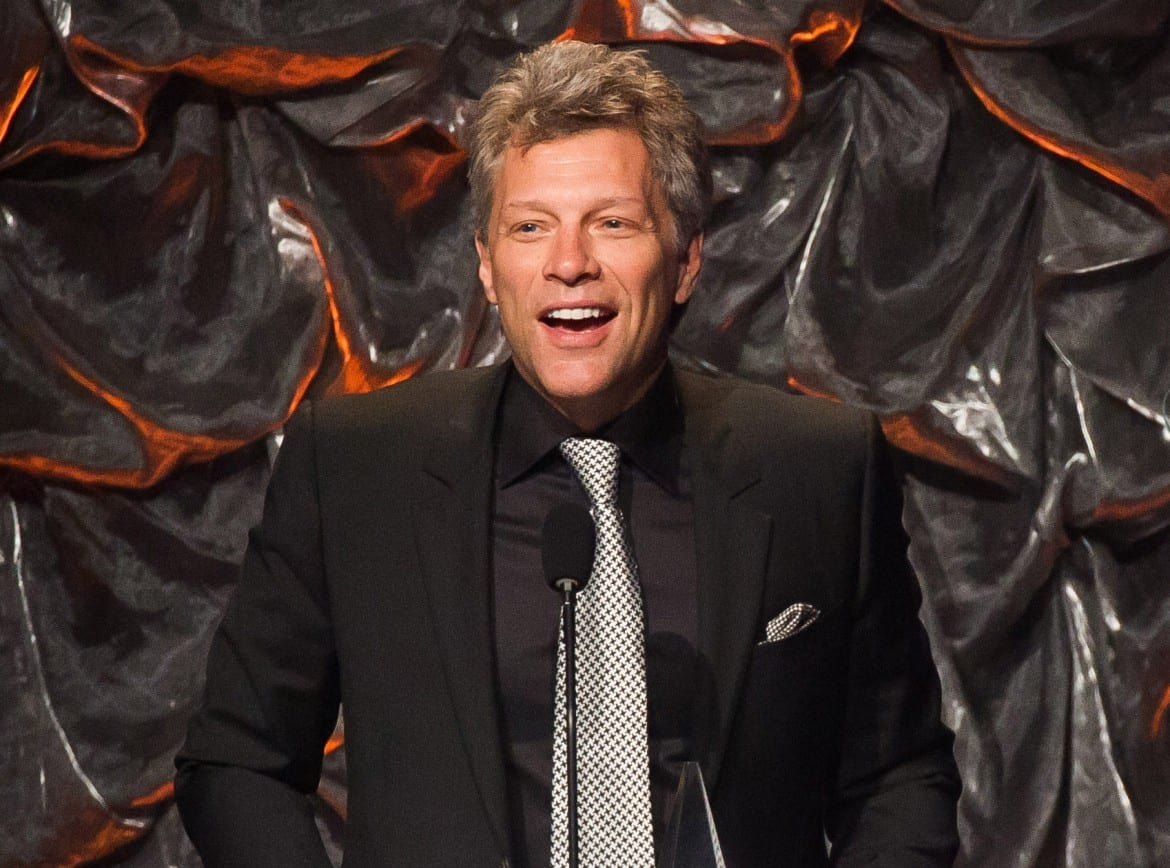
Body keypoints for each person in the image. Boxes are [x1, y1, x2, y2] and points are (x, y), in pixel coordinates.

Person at [175, 40, 960, 867]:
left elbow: (897, 776)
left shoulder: (818, 468)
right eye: (530, 227)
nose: (569, 265)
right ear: (486, 265)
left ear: (686, 257)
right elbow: (237, 762)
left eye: (612, 224)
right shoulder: (357, 468)